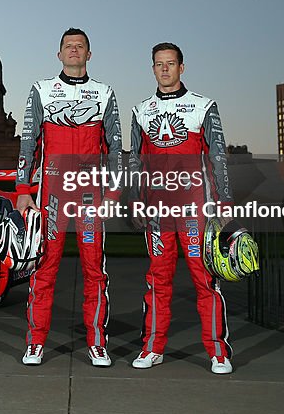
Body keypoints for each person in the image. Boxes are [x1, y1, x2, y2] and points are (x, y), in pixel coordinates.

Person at [15, 27, 121, 367]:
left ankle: (97, 343)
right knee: (44, 268)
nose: (74, 50)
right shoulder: (42, 90)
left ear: (89, 55)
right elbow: (28, 142)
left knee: (95, 270)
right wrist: (22, 190)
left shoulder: (104, 93)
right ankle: (36, 342)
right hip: (51, 195)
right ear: (59, 54)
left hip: (90, 195)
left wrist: (114, 192)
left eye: (80, 46)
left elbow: (116, 147)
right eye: (68, 46)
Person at [127, 42, 234, 374]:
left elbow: (218, 157)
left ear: (181, 67)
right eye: (158, 64)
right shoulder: (141, 110)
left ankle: (218, 352)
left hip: (194, 208)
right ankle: (153, 347)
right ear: (153, 68)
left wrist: (224, 203)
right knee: (158, 280)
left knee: (205, 279)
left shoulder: (203, 106)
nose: (164, 69)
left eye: (170, 63)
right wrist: (134, 203)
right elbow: (135, 162)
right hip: (158, 211)